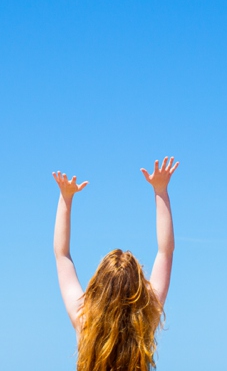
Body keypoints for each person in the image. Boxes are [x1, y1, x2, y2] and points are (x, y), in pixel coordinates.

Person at [52, 157, 179, 371]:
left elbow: (62, 255)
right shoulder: (145, 322)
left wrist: (66, 198)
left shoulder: (85, 323)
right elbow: (165, 252)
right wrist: (160, 191)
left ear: (97, 287)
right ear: (138, 289)